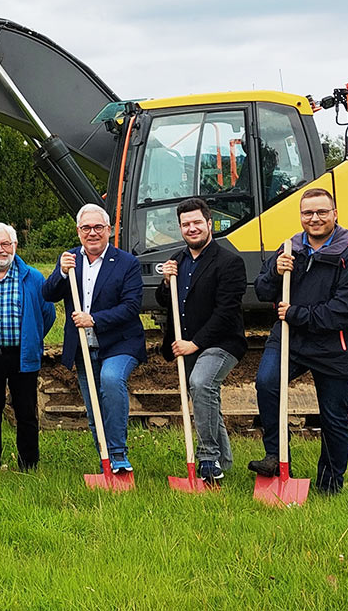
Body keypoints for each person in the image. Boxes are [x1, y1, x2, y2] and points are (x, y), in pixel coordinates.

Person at [249, 188, 348, 494]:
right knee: (266, 382)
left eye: (321, 212)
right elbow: (262, 292)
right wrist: (276, 273)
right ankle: (275, 455)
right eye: (308, 213)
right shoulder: (290, 248)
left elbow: (345, 312)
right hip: (289, 340)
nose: (314, 219)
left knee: (332, 417)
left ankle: (329, 485)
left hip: (334, 347)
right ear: (301, 216)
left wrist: (296, 314)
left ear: (335, 214)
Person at [42, 204, 146, 472]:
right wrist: (61, 273)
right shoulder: (70, 260)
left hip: (120, 342)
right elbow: (48, 294)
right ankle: (106, 462)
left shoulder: (127, 263)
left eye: (98, 227)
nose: (92, 233)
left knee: (111, 381)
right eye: (86, 228)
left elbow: (132, 306)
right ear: (78, 231)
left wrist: (95, 319)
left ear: (108, 230)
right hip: (84, 348)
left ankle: (119, 453)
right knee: (94, 408)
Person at [154, 198, 247, 484]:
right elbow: (164, 302)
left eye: (197, 222)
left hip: (222, 342)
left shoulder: (230, 262)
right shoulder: (178, 262)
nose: (191, 228)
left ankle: (207, 457)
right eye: (185, 224)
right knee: (206, 399)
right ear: (180, 229)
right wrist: (167, 283)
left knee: (201, 383)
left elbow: (226, 312)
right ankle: (225, 461)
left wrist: (194, 344)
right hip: (187, 342)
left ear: (209, 224)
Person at [0, 223, 55, 472]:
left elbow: (46, 314)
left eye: (5, 244)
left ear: (15, 245)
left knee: (26, 412)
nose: (0, 250)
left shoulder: (33, 277)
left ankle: (29, 465)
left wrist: (32, 338)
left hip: (22, 355)